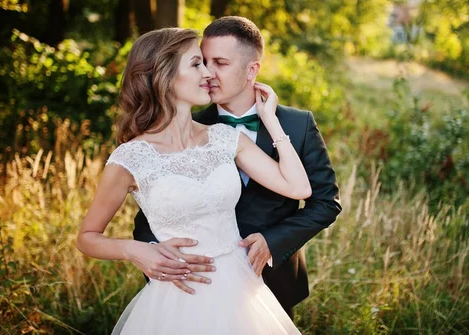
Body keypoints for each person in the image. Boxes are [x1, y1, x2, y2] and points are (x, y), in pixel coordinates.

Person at [76, 27, 310, 334]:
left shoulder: (225, 138)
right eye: (197, 63)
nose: (208, 73)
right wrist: (133, 249)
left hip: (240, 291)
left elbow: (298, 188)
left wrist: (270, 120)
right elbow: (87, 236)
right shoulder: (129, 159)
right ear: (166, 75)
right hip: (177, 298)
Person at [133, 16, 342, 318]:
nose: (208, 73)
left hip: (271, 278)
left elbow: (325, 203)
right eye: (202, 61)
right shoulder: (187, 126)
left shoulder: (298, 125)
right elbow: (151, 212)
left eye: (221, 62)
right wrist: (155, 257)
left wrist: (274, 242)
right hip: (195, 284)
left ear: (251, 70)